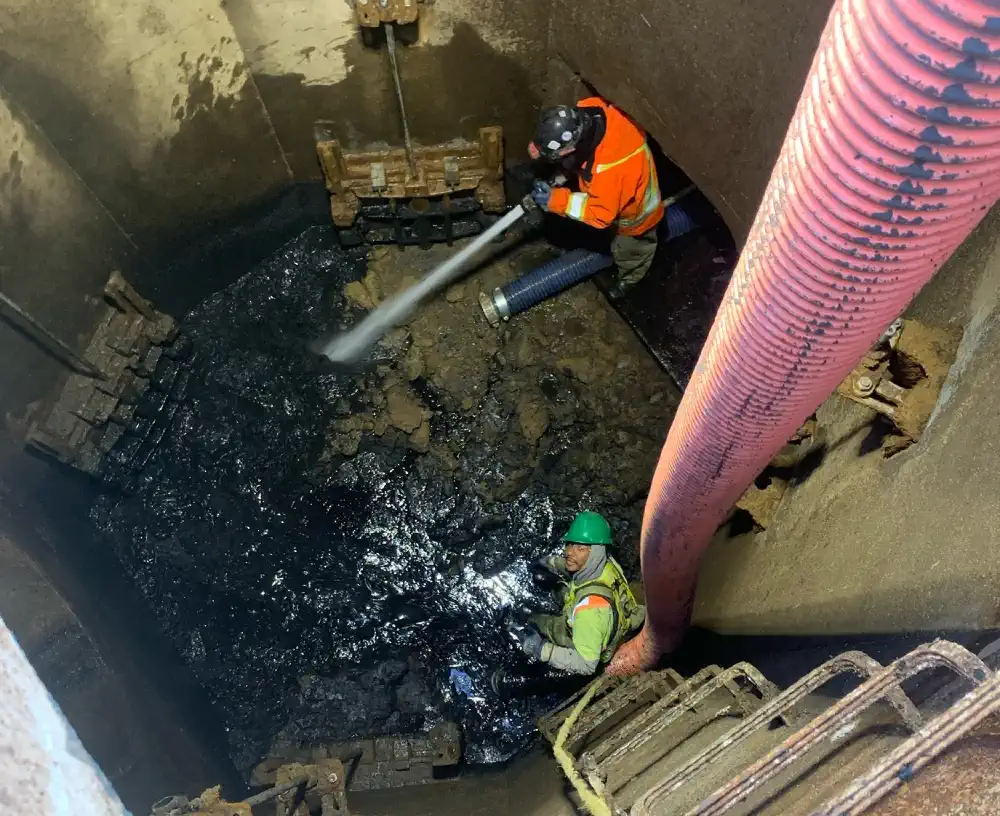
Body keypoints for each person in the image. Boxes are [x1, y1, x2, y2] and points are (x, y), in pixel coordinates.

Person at [528, 97, 664, 289]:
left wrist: (556, 200)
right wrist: (542, 150)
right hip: (618, 191)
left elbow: (600, 215)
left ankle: (629, 280)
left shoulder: (610, 173)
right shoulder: (589, 110)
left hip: (636, 219)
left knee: (630, 252)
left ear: (571, 149)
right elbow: (581, 158)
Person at [513, 511, 645, 675]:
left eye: (580, 548)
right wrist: (550, 562)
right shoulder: (607, 563)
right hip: (613, 615)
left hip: (591, 633)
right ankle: (557, 590)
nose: (569, 552)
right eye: (569, 544)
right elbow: (579, 566)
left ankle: (532, 619)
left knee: (551, 626)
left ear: (595, 552)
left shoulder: (589, 612)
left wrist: (541, 650)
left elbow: (586, 665)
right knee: (560, 588)